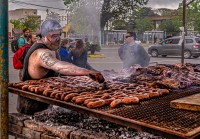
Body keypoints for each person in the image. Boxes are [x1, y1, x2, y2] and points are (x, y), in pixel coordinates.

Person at [17, 19, 104, 115]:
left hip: (44, 104)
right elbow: (60, 67)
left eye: (59, 35)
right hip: (32, 108)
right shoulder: (40, 53)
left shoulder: (51, 47)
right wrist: (87, 72)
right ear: (44, 36)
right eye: (54, 36)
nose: (58, 38)